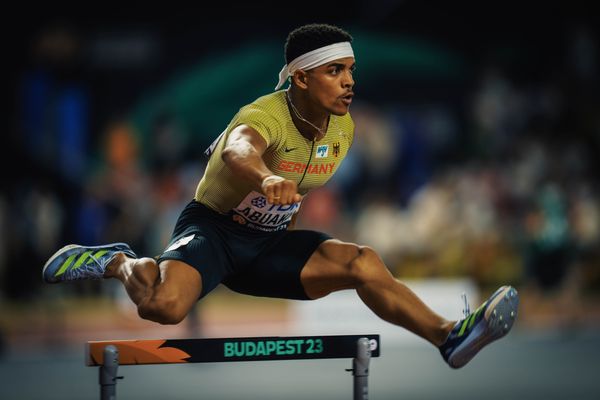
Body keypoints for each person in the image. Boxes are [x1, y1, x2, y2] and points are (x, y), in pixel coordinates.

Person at [42, 23, 519, 369]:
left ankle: (449, 338)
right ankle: (119, 262)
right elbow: (237, 148)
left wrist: (282, 212)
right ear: (301, 78)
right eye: (335, 70)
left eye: (351, 69)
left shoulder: (343, 129)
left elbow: (297, 193)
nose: (350, 81)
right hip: (213, 232)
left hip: (268, 245)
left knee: (363, 262)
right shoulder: (265, 113)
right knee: (162, 307)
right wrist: (265, 179)